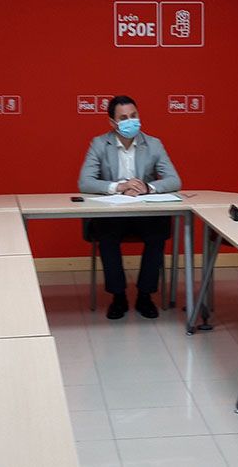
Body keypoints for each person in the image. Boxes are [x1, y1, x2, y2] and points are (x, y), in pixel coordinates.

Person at [78, 95, 181, 319]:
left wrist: (147, 187)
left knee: (157, 234)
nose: (130, 121)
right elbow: (85, 182)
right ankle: (118, 296)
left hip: (146, 211)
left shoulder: (153, 144)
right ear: (112, 123)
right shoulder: (99, 144)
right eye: (123, 118)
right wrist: (119, 186)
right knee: (106, 236)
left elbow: (174, 180)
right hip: (113, 212)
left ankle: (145, 295)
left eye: (133, 116)